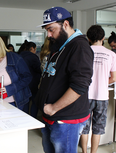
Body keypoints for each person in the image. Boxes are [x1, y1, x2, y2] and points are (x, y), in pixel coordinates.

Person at [35, 7, 94, 153]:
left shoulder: (79, 46)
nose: (48, 35)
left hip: (65, 119)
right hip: (51, 116)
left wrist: (54, 107)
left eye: (51, 29)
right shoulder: (60, 46)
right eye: (47, 30)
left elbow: (80, 85)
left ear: (66, 24)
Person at [80, 25, 116, 153]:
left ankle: (84, 151)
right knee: (98, 128)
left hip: (85, 95)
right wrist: (101, 83)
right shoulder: (111, 54)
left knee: (84, 127)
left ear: (88, 38)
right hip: (102, 96)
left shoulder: (83, 52)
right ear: (103, 38)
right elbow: (113, 78)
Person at [19, 41, 42, 118]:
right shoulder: (33, 57)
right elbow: (39, 69)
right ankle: (33, 119)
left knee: (25, 102)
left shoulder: (19, 55)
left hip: (22, 83)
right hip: (33, 84)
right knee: (34, 103)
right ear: (32, 48)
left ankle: (24, 119)